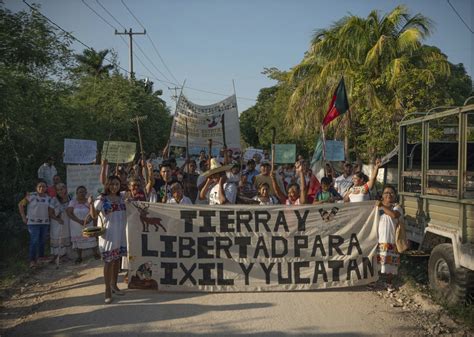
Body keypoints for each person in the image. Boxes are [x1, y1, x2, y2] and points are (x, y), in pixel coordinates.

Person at [90, 175, 127, 304]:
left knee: (117, 260)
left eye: (117, 184)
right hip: (108, 235)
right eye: (112, 184)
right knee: (108, 262)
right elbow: (94, 215)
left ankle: (114, 285)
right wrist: (90, 203)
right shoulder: (102, 199)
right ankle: (107, 290)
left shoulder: (122, 198)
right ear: (107, 185)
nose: (114, 187)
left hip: (121, 233)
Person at [18, 180, 51, 268]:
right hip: (33, 223)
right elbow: (20, 205)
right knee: (34, 240)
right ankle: (32, 260)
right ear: (36, 188)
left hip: (45, 222)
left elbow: (50, 209)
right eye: (39, 186)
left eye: (43, 186)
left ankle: (41, 257)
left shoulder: (48, 198)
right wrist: (23, 217)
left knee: (42, 240)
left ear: (46, 188)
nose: (41, 188)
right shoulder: (31, 196)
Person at [376, 185, 403, 292]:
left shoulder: (397, 207)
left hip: (391, 239)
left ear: (395, 195)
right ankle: (374, 280)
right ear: (382, 195)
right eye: (386, 193)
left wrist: (382, 206)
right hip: (379, 238)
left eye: (391, 193)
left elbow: (394, 215)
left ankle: (388, 282)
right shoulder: (377, 207)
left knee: (391, 263)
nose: (389, 195)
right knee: (377, 261)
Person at [66, 186, 99, 264]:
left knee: (91, 239)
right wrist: (79, 221)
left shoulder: (89, 201)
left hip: (88, 224)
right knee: (78, 242)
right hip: (76, 225)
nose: (82, 193)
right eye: (80, 192)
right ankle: (79, 257)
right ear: (77, 193)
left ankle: (95, 253)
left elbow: (93, 213)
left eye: (84, 192)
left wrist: (88, 220)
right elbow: (69, 213)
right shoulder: (73, 202)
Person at [48, 183, 71, 262]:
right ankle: (57, 255)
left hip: (67, 221)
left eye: (61, 189)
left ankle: (64, 255)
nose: (60, 191)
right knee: (57, 237)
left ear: (65, 189)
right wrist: (58, 219)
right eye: (58, 190)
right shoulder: (54, 200)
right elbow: (50, 213)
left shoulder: (70, 198)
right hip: (57, 222)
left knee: (66, 237)